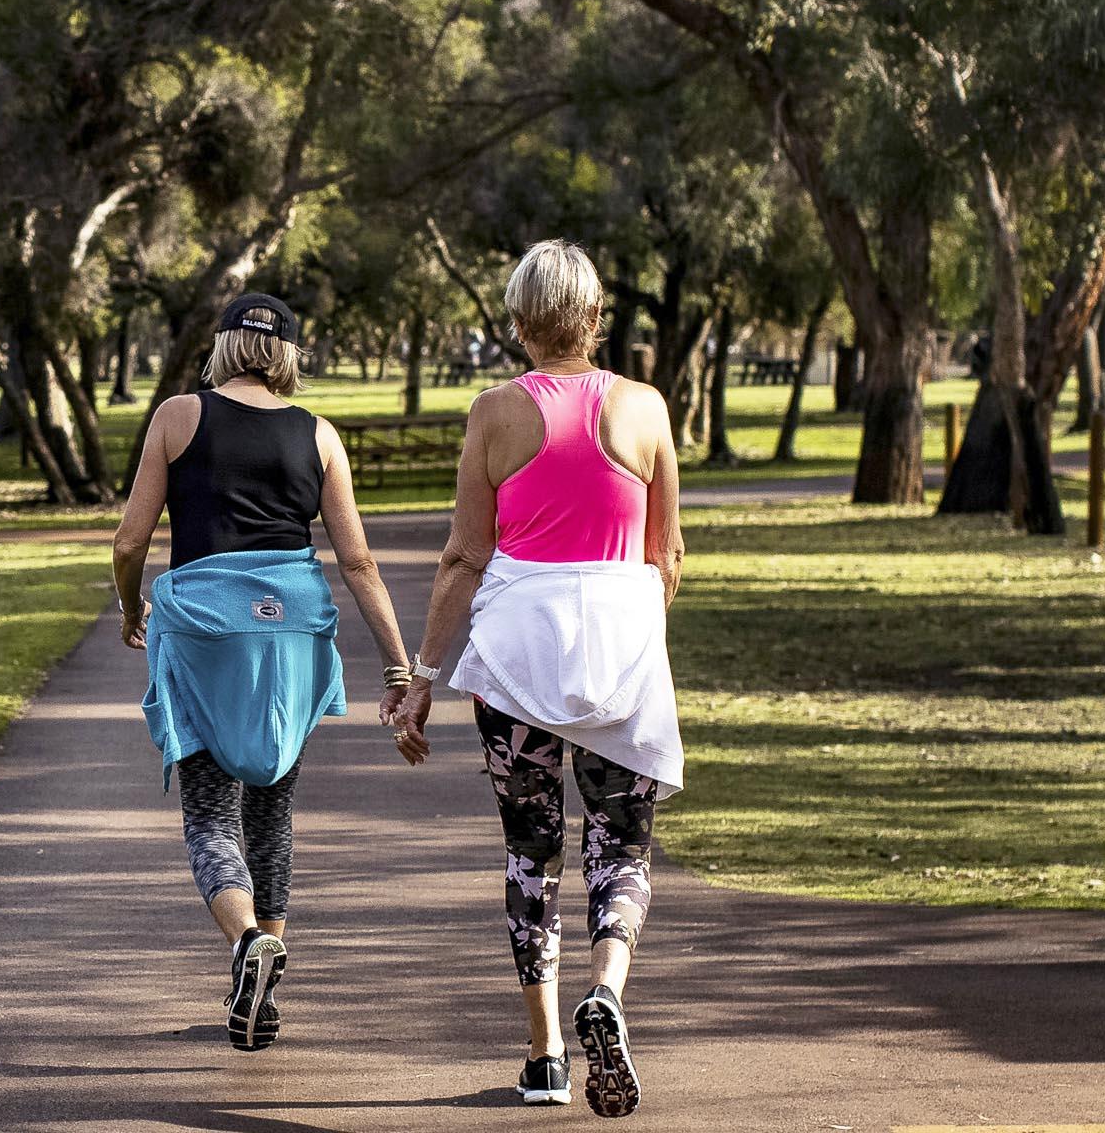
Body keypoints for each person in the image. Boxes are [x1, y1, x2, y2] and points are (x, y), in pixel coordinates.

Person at [390, 240, 684, 1117]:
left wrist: (421, 677)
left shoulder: (494, 412)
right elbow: (666, 554)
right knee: (620, 849)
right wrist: (634, 644)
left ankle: (547, 1054)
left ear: (517, 325)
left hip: (516, 656)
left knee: (531, 852)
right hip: (623, 648)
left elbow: (464, 556)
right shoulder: (645, 408)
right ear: (597, 319)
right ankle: (609, 992)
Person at [113, 292, 417, 1051]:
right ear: (288, 354)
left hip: (204, 633)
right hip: (289, 637)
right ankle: (265, 993)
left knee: (211, 815)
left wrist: (129, 608)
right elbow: (357, 561)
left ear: (220, 346)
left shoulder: (179, 416)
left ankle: (247, 941)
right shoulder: (318, 436)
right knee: (272, 813)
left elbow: (128, 542)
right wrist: (400, 668)